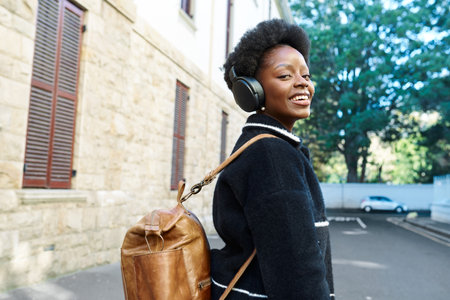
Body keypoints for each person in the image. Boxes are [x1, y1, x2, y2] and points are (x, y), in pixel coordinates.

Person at [210, 19, 335, 299]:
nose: (303, 83)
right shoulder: (272, 155)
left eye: (306, 75)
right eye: (285, 76)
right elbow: (298, 272)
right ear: (252, 90)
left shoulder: (265, 146)